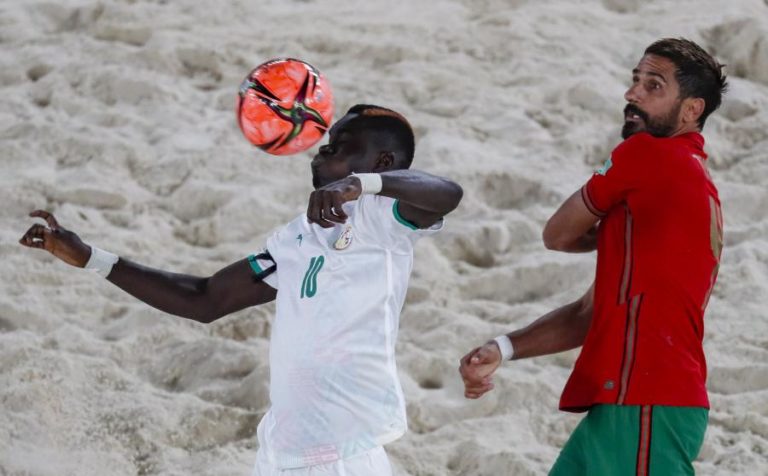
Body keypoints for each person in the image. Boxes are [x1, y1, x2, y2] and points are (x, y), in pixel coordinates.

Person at [19, 104, 463, 476]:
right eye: (325, 145)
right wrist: (93, 259)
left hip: (343, 454)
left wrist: (361, 185)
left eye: (340, 148)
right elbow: (206, 299)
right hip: (280, 453)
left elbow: (447, 194)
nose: (321, 152)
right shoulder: (297, 237)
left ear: (382, 164)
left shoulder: (385, 221)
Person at [458, 38, 727, 475]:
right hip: (632, 406)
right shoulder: (684, 181)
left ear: (692, 110)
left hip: (647, 404)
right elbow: (590, 312)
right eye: (635, 80)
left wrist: (597, 235)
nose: (632, 94)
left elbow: (557, 234)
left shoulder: (649, 155)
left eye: (653, 86)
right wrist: (503, 348)